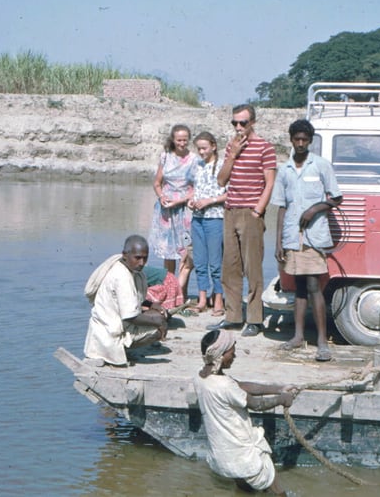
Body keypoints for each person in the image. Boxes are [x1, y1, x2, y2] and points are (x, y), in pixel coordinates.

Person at [193, 329, 298, 495]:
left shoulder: (200, 377)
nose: (234, 356)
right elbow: (256, 404)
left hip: (224, 453)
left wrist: (279, 389)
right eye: (231, 352)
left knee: (244, 489)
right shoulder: (225, 386)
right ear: (220, 355)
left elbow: (240, 386)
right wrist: (282, 399)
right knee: (276, 488)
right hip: (243, 452)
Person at [271, 119, 342, 362]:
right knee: (298, 287)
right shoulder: (284, 170)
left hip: (314, 236)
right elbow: (281, 207)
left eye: (304, 140)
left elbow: (336, 198)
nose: (300, 144)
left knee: (314, 286)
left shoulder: (321, 165)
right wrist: (278, 242)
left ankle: (322, 342)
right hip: (292, 237)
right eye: (296, 139)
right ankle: (298, 336)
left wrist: (314, 210)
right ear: (291, 140)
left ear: (310, 141)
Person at [207, 104, 277, 337]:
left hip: (250, 212)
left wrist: (258, 210)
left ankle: (255, 318)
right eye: (234, 123)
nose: (238, 127)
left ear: (253, 123)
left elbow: (270, 183)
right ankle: (233, 316)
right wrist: (233, 154)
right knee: (231, 267)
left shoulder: (265, 147)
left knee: (252, 267)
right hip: (230, 210)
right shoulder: (231, 146)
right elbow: (221, 180)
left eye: (243, 123)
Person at [83, 235, 168, 367]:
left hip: (105, 326)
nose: (141, 263)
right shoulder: (122, 277)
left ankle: (126, 346)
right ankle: (122, 348)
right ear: (125, 255)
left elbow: (132, 299)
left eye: (145, 258)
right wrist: (160, 322)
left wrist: (151, 304)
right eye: (138, 258)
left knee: (158, 315)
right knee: (160, 322)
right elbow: (130, 317)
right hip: (110, 332)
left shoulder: (125, 268)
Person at [149, 124, 198, 301]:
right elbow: (157, 183)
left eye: (185, 140)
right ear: (173, 140)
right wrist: (161, 196)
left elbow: (196, 188)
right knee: (168, 253)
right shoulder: (165, 157)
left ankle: (182, 293)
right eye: (179, 140)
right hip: (166, 213)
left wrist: (180, 200)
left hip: (185, 212)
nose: (182, 143)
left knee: (186, 252)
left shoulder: (194, 159)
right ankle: (169, 292)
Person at [188, 131, 227, 316]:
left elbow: (229, 193)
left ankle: (218, 298)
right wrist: (191, 200)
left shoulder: (223, 165)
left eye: (204, 148)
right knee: (200, 261)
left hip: (215, 218)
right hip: (197, 219)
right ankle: (202, 298)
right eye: (198, 149)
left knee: (216, 263)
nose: (201, 152)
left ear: (213, 146)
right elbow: (194, 189)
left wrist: (210, 201)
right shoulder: (197, 165)